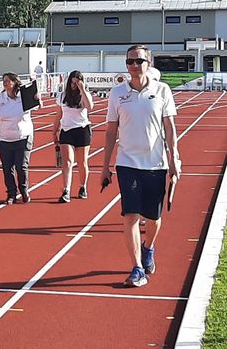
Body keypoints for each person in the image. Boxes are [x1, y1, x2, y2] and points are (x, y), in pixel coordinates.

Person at [101, 44, 181, 288]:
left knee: (153, 218)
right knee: (131, 215)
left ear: (149, 63)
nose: (134, 66)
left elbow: (169, 128)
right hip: (127, 163)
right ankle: (136, 267)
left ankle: (148, 248)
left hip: (155, 164)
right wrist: (105, 166)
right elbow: (111, 130)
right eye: (130, 62)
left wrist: (174, 157)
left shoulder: (162, 90)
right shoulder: (117, 93)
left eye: (139, 61)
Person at [0, 72, 40, 205]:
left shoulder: (22, 96)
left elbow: (38, 105)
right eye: (3, 81)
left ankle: (24, 190)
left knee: (21, 166)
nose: (5, 83)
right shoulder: (0, 98)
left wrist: (37, 98)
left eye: (7, 81)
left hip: (23, 136)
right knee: (7, 168)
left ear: (14, 82)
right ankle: (11, 193)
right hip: (5, 138)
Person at [52, 70, 94, 203]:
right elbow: (58, 115)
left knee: (82, 162)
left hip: (82, 130)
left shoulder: (85, 95)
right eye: (72, 81)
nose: (74, 84)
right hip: (67, 130)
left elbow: (90, 107)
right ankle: (66, 190)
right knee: (68, 162)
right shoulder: (62, 96)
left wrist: (82, 89)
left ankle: (83, 187)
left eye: (77, 81)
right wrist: (54, 131)